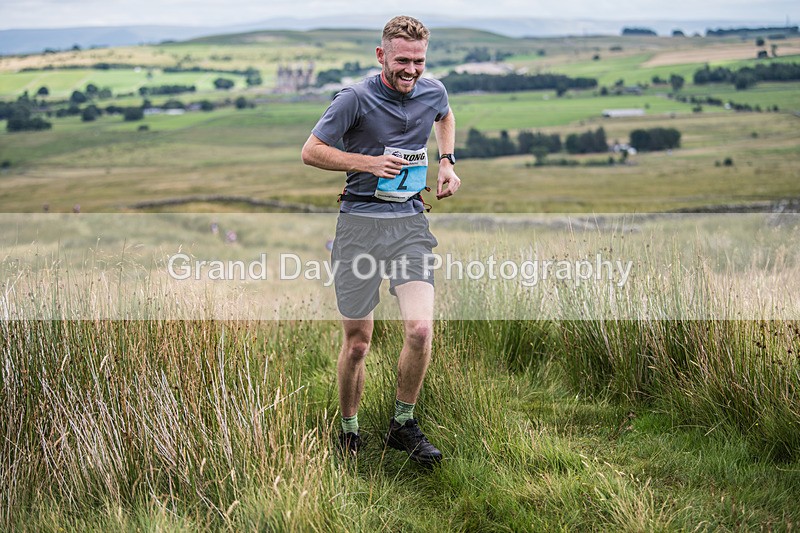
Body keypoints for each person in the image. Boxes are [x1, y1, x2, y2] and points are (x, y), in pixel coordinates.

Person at [301, 15, 460, 465]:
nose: (411, 70)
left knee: (421, 328)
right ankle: (349, 430)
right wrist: (368, 164)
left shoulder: (433, 89)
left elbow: (445, 115)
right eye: (402, 61)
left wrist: (446, 161)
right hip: (358, 226)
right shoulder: (354, 98)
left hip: (409, 222)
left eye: (419, 61)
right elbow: (310, 151)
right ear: (381, 56)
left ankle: (402, 424)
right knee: (357, 342)